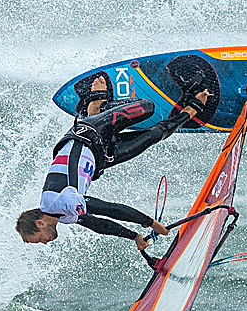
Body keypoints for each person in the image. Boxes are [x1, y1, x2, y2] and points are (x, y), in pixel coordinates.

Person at [16, 74, 210, 251]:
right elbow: (97, 224)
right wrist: (134, 236)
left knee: (146, 107)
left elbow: (107, 209)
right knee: (154, 135)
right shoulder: (63, 214)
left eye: (38, 239)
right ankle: (191, 109)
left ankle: (97, 107)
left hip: (89, 133)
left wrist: (149, 222)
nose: (44, 242)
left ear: (39, 223)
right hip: (101, 155)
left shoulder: (57, 202)